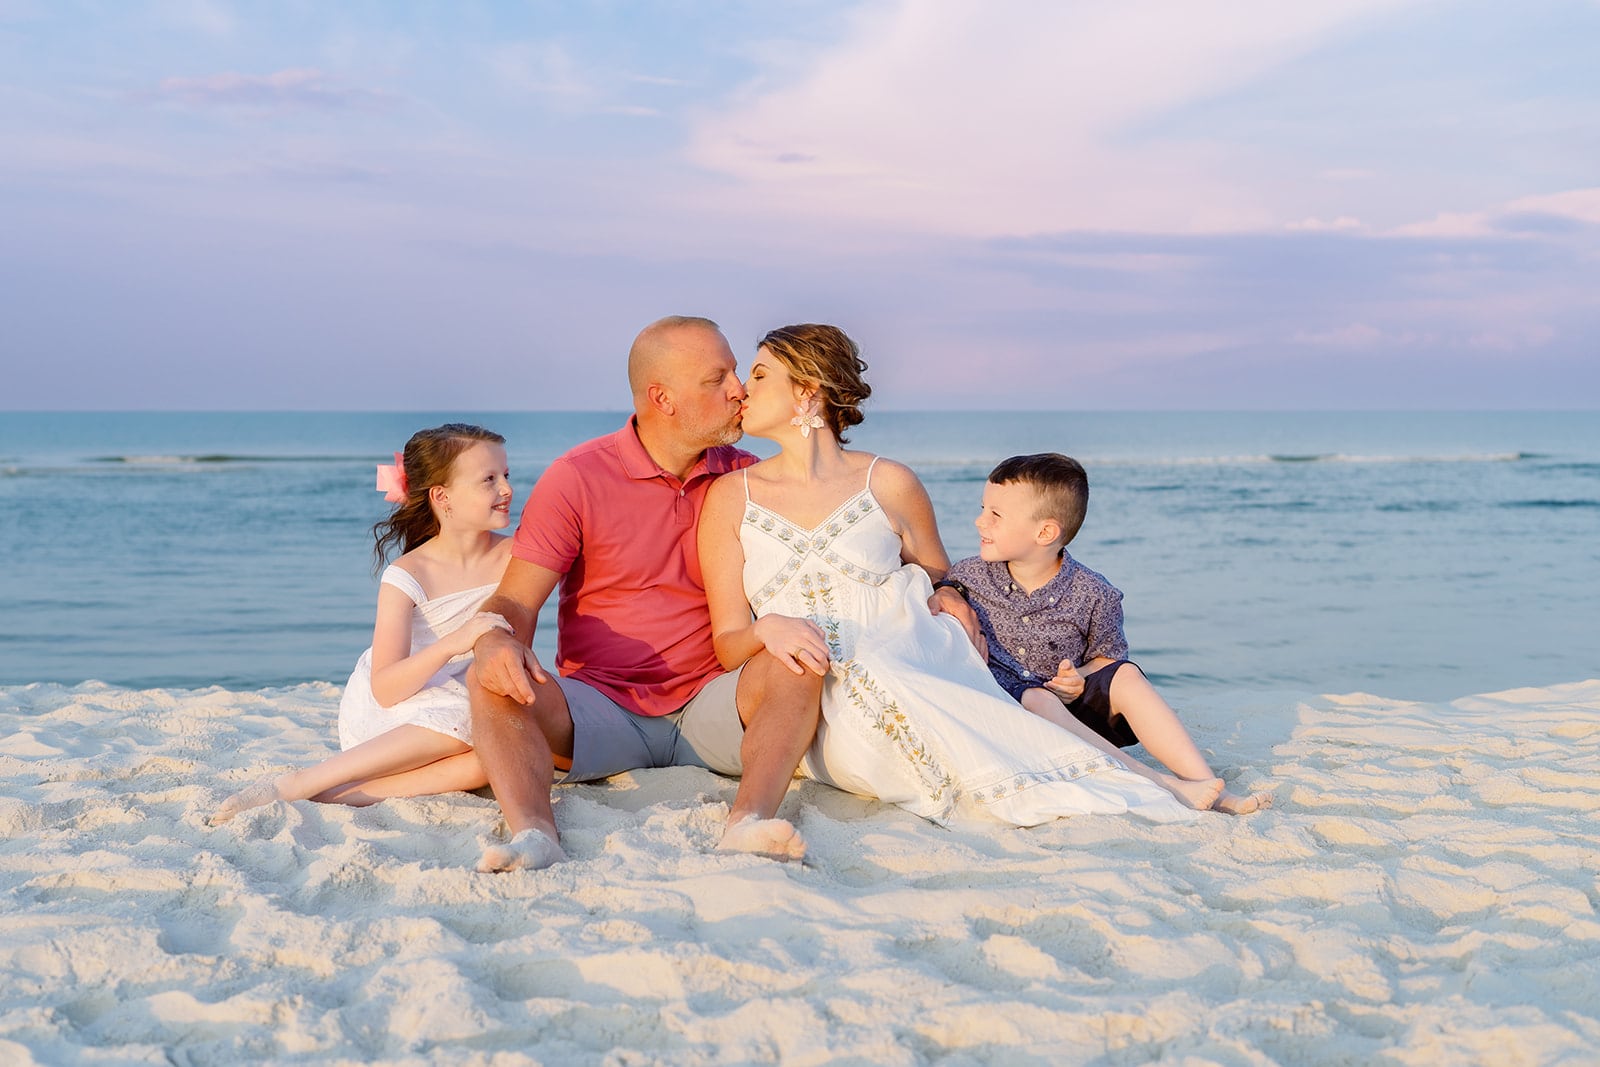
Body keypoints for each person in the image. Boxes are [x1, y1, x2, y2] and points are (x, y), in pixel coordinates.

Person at [698, 323, 1208, 829]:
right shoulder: (730, 497)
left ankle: (1161, 783)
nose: (743, 389)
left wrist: (950, 594)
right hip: (805, 695)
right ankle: (1157, 784)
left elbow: (938, 573)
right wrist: (767, 629)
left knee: (976, 712)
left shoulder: (890, 482)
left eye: (761, 375)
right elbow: (728, 644)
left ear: (807, 391)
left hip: (903, 651)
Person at [466, 316, 827, 873]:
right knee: (491, 675)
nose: (740, 390)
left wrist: (944, 587)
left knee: (796, 660)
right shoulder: (578, 477)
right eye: (718, 379)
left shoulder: (748, 477)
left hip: (717, 704)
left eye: (737, 372)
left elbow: (845, 544)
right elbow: (515, 602)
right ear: (663, 398)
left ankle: (746, 823)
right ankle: (535, 835)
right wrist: (493, 639)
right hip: (602, 711)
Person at [210, 424, 513, 825]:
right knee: (465, 720)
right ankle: (300, 782)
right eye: (489, 480)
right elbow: (386, 689)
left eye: (507, 476)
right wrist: (453, 643)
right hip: (399, 704)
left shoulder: (519, 555)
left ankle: (342, 796)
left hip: (460, 699)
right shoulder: (407, 575)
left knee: (487, 761)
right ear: (442, 497)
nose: (507, 489)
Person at [946, 453, 1271, 815]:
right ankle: (1159, 783)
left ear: (1045, 532)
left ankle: (1204, 783)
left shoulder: (1094, 592)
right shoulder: (968, 577)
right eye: (983, 508)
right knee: (1038, 699)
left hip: (1073, 714)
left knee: (1127, 674)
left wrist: (1077, 679)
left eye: (995, 515)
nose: (979, 521)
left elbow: (1108, 657)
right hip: (1011, 714)